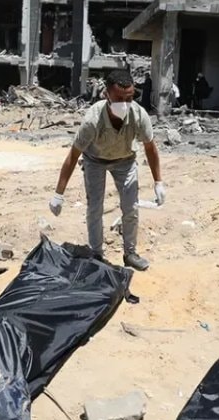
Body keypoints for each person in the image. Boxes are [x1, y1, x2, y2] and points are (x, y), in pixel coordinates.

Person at [49, 69, 165, 272]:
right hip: (95, 161)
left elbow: (150, 148)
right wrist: (59, 194)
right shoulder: (92, 121)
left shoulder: (139, 115)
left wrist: (158, 182)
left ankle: (130, 253)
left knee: (131, 208)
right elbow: (73, 155)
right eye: (119, 98)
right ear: (106, 95)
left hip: (126, 161)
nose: (125, 104)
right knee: (95, 208)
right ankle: (96, 254)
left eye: (129, 98)